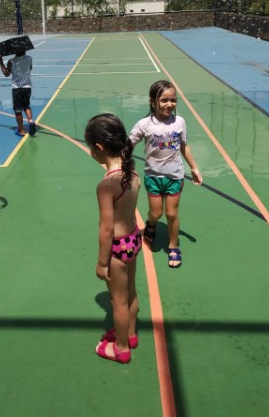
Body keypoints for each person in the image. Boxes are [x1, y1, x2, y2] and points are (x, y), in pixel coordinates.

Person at [84, 113, 142, 365]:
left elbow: (106, 228)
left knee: (117, 301)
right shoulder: (132, 172)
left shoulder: (106, 185)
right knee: (131, 292)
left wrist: (101, 263)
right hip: (134, 239)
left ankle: (121, 349)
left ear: (99, 148)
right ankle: (130, 334)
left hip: (117, 248)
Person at [129, 80, 202, 268]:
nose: (169, 104)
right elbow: (129, 144)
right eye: (164, 100)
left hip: (174, 176)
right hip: (153, 177)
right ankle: (151, 224)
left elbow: (184, 146)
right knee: (156, 213)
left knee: (171, 213)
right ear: (152, 102)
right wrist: (122, 162)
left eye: (173, 100)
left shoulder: (179, 122)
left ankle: (173, 246)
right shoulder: (144, 124)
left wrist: (194, 167)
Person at [0, 49, 36, 136]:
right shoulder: (29, 58)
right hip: (27, 87)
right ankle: (30, 121)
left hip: (17, 88)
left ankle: (21, 130)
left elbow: (6, 73)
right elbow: (30, 68)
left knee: (18, 110)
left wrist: (1, 62)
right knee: (26, 106)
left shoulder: (11, 61)